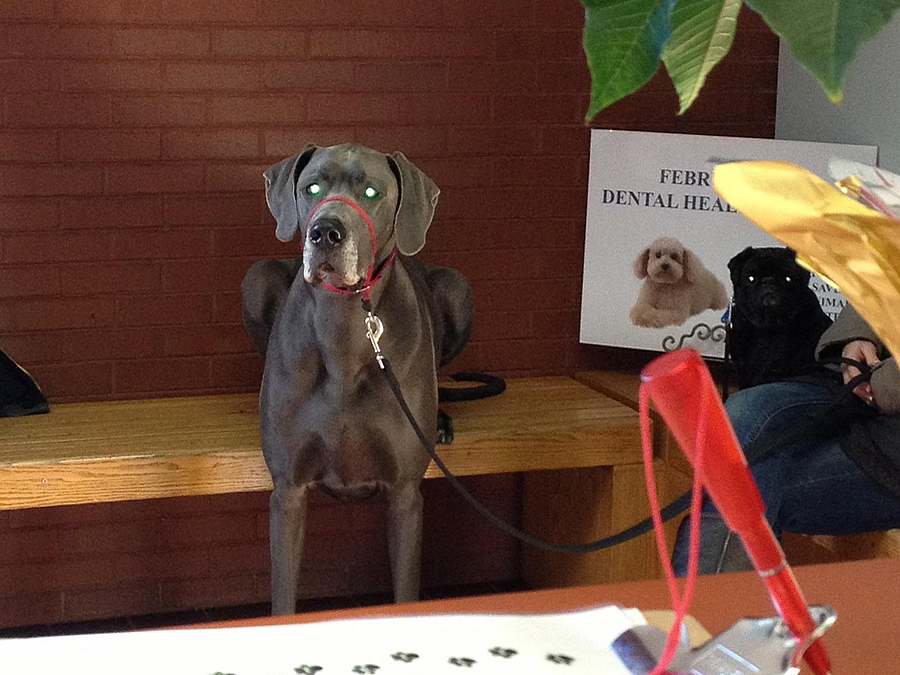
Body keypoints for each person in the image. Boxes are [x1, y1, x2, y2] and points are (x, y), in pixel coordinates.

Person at [672, 302, 900, 575]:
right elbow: (878, 274)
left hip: (889, 435)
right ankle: (710, 602)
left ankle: (710, 606)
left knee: (753, 490)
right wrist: (855, 338)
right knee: (745, 412)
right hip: (857, 383)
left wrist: (885, 383)